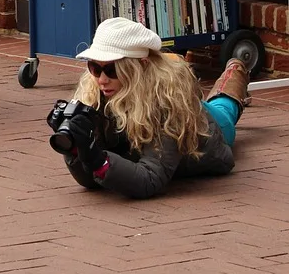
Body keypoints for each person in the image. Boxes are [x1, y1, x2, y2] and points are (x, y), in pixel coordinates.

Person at [53, 17, 250, 199]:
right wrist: (76, 150)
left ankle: (236, 68)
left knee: (224, 106)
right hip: (160, 102)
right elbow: (91, 181)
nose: (102, 80)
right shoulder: (95, 94)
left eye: (112, 70)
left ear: (139, 67)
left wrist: (97, 159)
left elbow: (149, 179)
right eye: (95, 68)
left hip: (205, 127)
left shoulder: (168, 105)